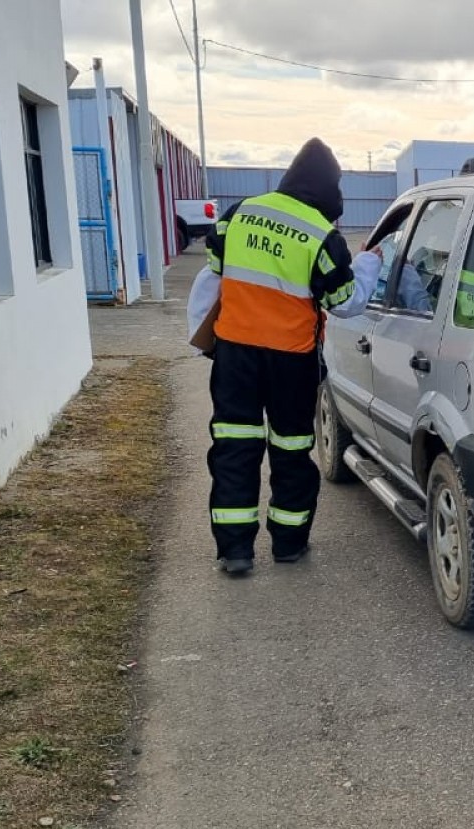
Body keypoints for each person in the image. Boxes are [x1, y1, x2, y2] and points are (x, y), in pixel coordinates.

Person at [186, 138, 383, 576]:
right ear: (330, 188)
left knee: (234, 448)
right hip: (291, 361)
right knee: (291, 449)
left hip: (235, 357)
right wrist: (369, 264)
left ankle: (235, 551)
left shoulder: (238, 214)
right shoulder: (321, 235)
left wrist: (202, 334)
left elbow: (212, 273)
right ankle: (288, 545)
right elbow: (346, 302)